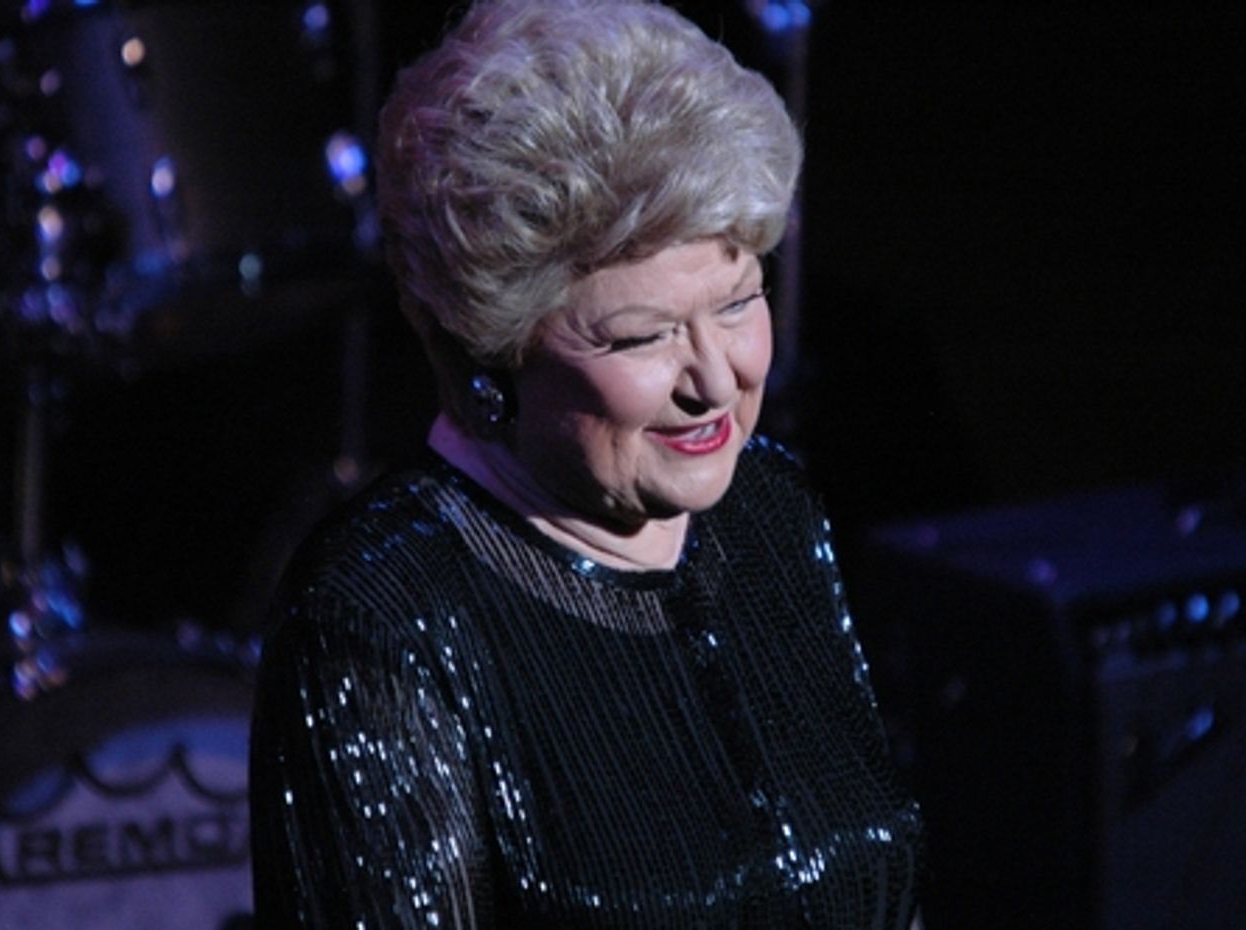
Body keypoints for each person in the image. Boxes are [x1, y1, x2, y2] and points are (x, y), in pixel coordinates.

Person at [248, 0, 923, 926]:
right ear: (488, 350)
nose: (716, 381)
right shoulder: (377, 625)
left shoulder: (772, 509)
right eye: (644, 336)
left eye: (738, 302)